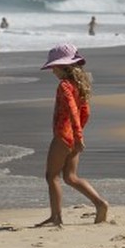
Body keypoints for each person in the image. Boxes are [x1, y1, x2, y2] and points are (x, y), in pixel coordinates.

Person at [36, 44, 109, 227]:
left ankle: (56, 216)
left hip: (63, 136)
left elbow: (72, 110)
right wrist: (79, 133)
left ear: (63, 67)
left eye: (54, 67)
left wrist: (76, 134)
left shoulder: (65, 86)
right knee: (70, 177)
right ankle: (100, 203)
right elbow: (85, 112)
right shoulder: (80, 85)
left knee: (51, 176)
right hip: (74, 137)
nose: (52, 71)